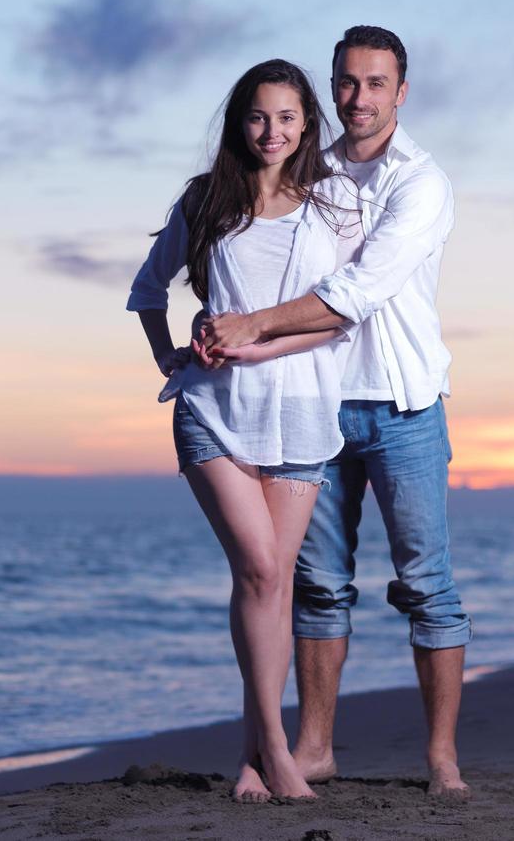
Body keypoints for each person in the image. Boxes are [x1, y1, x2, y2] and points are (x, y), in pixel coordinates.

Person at [200, 26, 473, 799]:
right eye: (346, 83)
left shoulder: (421, 182)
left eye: (375, 84)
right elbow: (247, 255)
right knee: (317, 583)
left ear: (400, 92)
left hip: (401, 403)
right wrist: (210, 324)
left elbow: (357, 291)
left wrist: (252, 327)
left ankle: (441, 759)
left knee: (426, 584)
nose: (358, 99)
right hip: (309, 402)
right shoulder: (303, 176)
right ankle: (313, 747)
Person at [127, 59, 359, 802]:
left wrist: (259, 344)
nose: (272, 132)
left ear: (306, 124)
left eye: (287, 118)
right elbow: (145, 290)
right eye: (259, 117)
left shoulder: (334, 205)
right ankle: (277, 754)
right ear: (239, 122)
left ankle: (254, 756)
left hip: (299, 412)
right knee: (261, 570)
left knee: (270, 584)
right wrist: (169, 353)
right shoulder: (205, 200)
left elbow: (340, 317)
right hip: (213, 411)